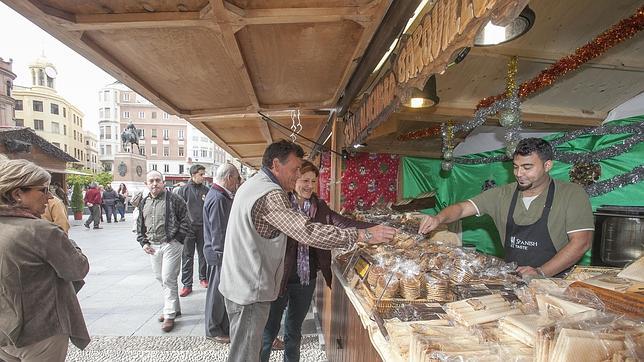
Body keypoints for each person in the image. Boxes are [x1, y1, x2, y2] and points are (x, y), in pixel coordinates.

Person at [219, 140, 397, 362]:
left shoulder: (253, 183)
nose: (297, 177)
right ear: (276, 164)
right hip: (249, 290)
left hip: (239, 284)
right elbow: (306, 231)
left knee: (249, 350)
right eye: (295, 170)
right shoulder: (270, 193)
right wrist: (364, 235)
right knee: (245, 356)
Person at [418, 138, 594, 277]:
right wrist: (438, 218)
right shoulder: (502, 194)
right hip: (513, 277)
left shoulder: (571, 194)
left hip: (555, 281)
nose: (519, 174)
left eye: (527, 167)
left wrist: (541, 272)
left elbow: (581, 243)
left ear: (547, 165)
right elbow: (462, 208)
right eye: (516, 167)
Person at [261, 160, 377, 362]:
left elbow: (343, 223)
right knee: (268, 331)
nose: (309, 185)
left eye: (313, 181)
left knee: (294, 332)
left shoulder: (319, 206)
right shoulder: (282, 204)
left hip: (305, 280)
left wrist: (374, 229)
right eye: (305, 180)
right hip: (279, 277)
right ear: (295, 179)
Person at [0, 159, 90, 362]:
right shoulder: (41, 231)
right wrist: (70, 243)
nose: (49, 197)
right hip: (40, 331)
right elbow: (77, 268)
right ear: (17, 193)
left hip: (5, 329)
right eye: (43, 190)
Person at [136, 170, 193, 332]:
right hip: (153, 246)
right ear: (146, 184)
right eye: (151, 181)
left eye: (157, 180)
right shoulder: (143, 202)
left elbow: (186, 219)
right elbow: (140, 224)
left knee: (168, 278)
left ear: (163, 182)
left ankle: (169, 314)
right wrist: (143, 242)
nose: (155, 184)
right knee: (160, 277)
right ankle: (174, 307)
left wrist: (178, 239)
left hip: (170, 244)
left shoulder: (174, 198)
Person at [203, 163, 241, 344]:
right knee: (216, 295)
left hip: (219, 253)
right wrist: (223, 255)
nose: (237, 183)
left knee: (221, 293)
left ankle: (222, 327)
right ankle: (213, 330)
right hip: (219, 255)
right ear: (229, 178)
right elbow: (218, 232)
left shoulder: (218, 195)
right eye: (236, 179)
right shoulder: (218, 198)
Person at [176, 165, 210, 297]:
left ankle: (203, 277)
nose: (203, 177)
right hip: (188, 229)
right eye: (201, 174)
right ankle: (187, 284)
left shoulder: (206, 190)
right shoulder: (183, 190)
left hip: (202, 228)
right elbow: (178, 210)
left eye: (203, 174)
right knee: (187, 257)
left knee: (203, 254)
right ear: (193, 175)